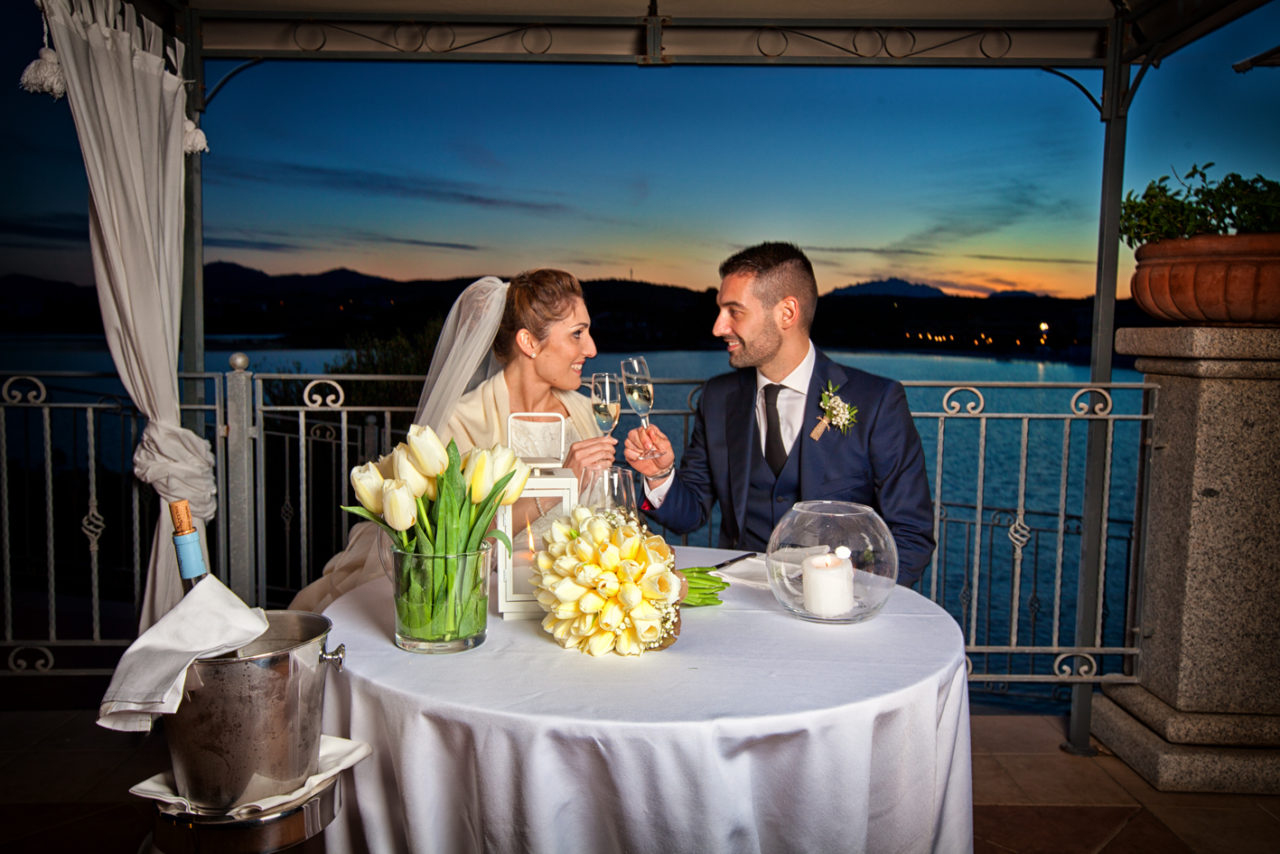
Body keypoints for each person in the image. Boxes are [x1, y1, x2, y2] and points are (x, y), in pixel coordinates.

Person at [290, 269, 615, 612]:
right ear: (529, 343)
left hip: (580, 599)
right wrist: (558, 485)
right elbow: (448, 544)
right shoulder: (462, 421)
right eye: (577, 334)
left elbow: (606, 514)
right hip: (479, 600)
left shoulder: (583, 411)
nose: (591, 349)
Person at [623, 242, 935, 587]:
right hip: (740, 600)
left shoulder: (877, 401)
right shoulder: (718, 398)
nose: (718, 327)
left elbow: (911, 534)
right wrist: (660, 476)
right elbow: (690, 513)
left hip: (836, 606)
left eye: (734, 311)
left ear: (787, 313)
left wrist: (854, 603)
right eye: (720, 311)